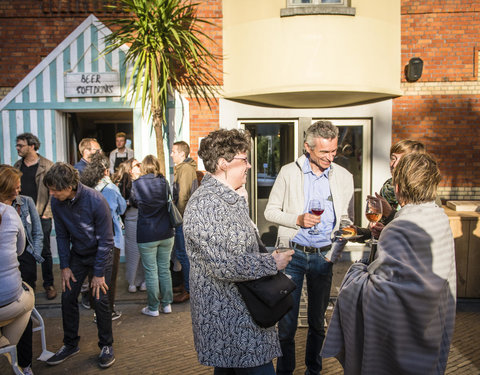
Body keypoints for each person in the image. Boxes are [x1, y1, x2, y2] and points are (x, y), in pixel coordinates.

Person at [322, 152, 456, 374]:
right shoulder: (439, 218)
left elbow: (381, 294)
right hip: (429, 325)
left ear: (398, 187)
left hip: (400, 340)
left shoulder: (397, 229)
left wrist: (357, 272)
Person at [183, 129, 294, 374]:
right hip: (233, 322)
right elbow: (225, 265)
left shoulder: (225, 198)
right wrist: (272, 262)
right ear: (223, 164)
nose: (250, 166)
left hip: (238, 318)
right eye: (244, 160)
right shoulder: (208, 204)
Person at [264, 120, 354, 375]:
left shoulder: (344, 177)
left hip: (323, 258)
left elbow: (346, 222)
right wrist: (297, 219)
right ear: (308, 147)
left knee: (317, 323)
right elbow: (270, 211)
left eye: (334, 151)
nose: (330, 157)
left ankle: (313, 371)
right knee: (287, 324)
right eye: (324, 152)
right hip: (292, 255)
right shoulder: (287, 172)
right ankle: (285, 372)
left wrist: (332, 255)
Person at [43, 163, 115, 369]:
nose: (52, 193)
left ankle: (106, 345)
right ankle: (70, 344)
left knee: (100, 299)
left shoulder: (96, 200)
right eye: (50, 189)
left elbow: (106, 240)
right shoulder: (57, 202)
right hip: (78, 256)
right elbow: (63, 236)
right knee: (67, 295)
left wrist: (99, 273)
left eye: (55, 189)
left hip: (101, 254)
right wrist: (64, 266)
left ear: (69, 186)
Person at [0, 166, 39, 375]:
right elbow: (19, 248)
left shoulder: (26, 203)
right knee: (27, 298)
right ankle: (11, 354)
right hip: (10, 297)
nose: (19, 190)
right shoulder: (10, 214)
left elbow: (36, 235)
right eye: (16, 187)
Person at [81, 153, 127, 321]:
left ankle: (96, 309)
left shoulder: (86, 186)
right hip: (110, 238)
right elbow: (121, 208)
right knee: (108, 278)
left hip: (90, 238)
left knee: (94, 275)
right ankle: (106, 311)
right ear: (106, 170)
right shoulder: (110, 188)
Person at [14, 132, 56, 300]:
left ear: (32, 146)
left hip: (41, 215)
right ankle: (28, 283)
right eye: (17, 145)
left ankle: (49, 284)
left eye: (20, 145)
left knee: (44, 250)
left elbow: (53, 191)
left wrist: (47, 213)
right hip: (22, 215)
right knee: (23, 250)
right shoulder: (17, 166)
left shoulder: (47, 165)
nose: (17, 148)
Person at [130, 155, 175, 316]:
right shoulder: (164, 182)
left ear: (143, 167)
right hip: (166, 231)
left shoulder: (136, 183)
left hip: (146, 232)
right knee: (164, 269)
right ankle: (167, 304)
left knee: (151, 271)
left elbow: (134, 202)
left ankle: (153, 307)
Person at [170, 141, 198, 303]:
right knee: (181, 254)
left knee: (184, 255)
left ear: (182, 154)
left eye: (174, 151)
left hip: (183, 219)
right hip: (183, 217)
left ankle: (188, 289)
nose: (172, 154)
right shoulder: (182, 168)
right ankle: (184, 284)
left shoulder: (185, 169)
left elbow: (183, 196)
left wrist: (178, 218)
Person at [112, 158, 145, 293]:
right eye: (137, 164)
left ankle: (143, 280)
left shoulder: (144, 181)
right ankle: (132, 281)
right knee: (133, 252)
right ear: (130, 169)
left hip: (145, 220)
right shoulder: (124, 183)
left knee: (144, 252)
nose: (140, 166)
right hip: (131, 220)